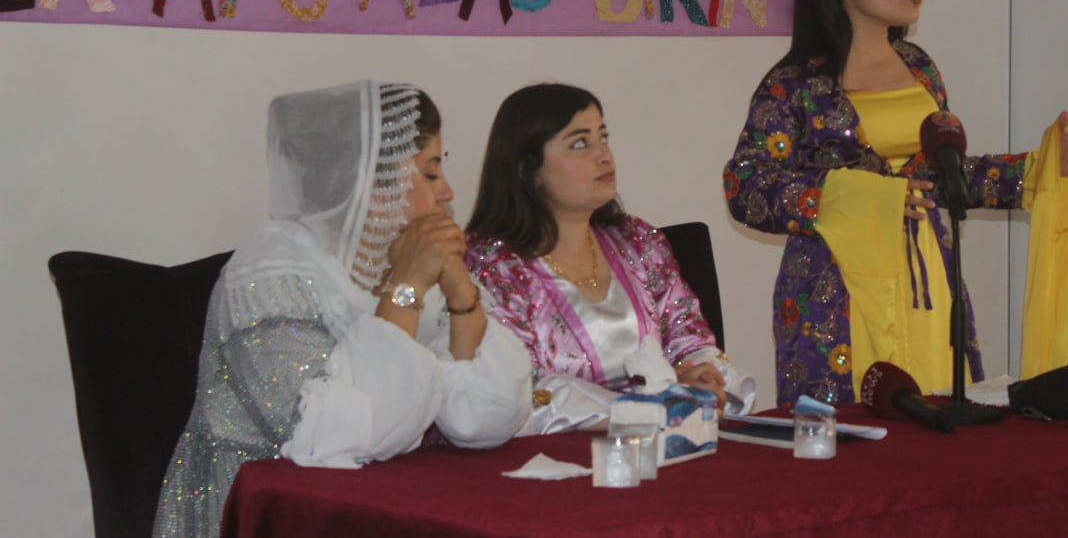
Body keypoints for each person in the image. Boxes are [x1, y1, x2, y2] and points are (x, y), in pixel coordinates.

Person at [723, 0, 1068, 407]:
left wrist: (1038, 167)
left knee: (940, 422)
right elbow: (746, 186)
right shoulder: (795, 84)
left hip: (930, 283)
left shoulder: (919, 68)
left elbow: (943, 176)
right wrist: (855, 196)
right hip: (836, 294)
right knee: (853, 437)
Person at [153, 81, 531, 538]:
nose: (447, 192)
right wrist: (406, 288)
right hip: (266, 517)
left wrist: (460, 294)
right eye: (430, 173)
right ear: (373, 185)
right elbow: (332, 437)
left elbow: (485, 420)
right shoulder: (273, 270)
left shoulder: (397, 256)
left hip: (383, 504)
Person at [465, 83, 755, 434]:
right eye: (579, 143)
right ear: (528, 169)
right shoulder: (494, 268)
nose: (604, 155)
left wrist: (702, 378)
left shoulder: (637, 242)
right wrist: (652, 406)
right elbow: (521, 397)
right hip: (554, 458)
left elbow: (690, 340)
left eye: (603, 137)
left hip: (663, 446)